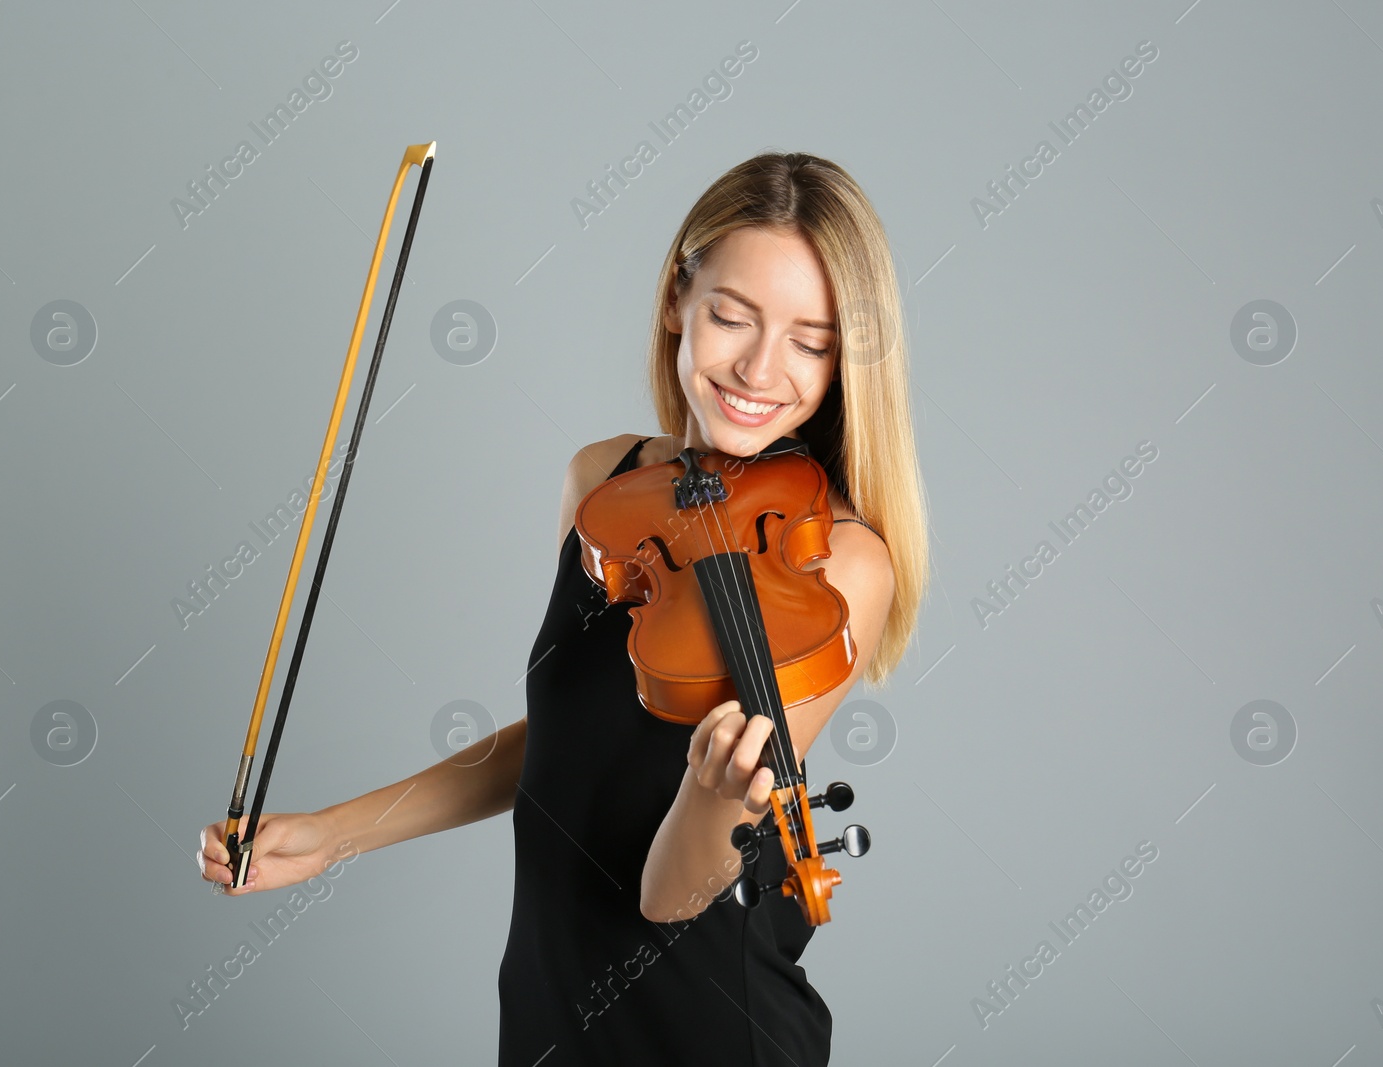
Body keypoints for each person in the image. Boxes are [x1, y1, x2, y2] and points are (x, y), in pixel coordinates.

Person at [201, 150, 930, 1065]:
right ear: (678, 297)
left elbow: (671, 896)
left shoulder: (842, 561)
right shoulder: (608, 487)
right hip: (547, 1008)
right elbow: (564, 735)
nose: (759, 366)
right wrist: (327, 836)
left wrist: (712, 801)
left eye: (810, 341)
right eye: (731, 316)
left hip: (708, 1027)